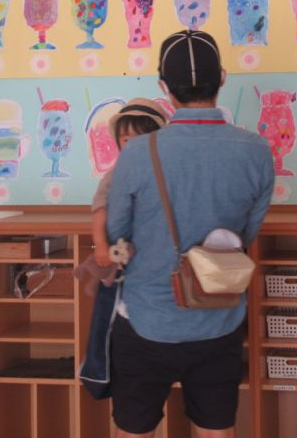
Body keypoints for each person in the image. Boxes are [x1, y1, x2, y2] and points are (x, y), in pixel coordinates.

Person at [105, 30, 275, 438]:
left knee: (134, 430)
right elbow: (246, 233)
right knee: (216, 429)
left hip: (146, 318)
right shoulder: (255, 150)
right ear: (222, 78)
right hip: (219, 317)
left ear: (164, 86)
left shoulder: (137, 153)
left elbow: (116, 233)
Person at [76, 98, 168, 398]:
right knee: (109, 317)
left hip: (156, 263)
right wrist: (101, 246)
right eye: (126, 139)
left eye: (142, 139)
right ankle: (99, 373)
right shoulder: (115, 174)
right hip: (121, 260)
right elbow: (99, 210)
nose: (133, 146)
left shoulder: (167, 172)